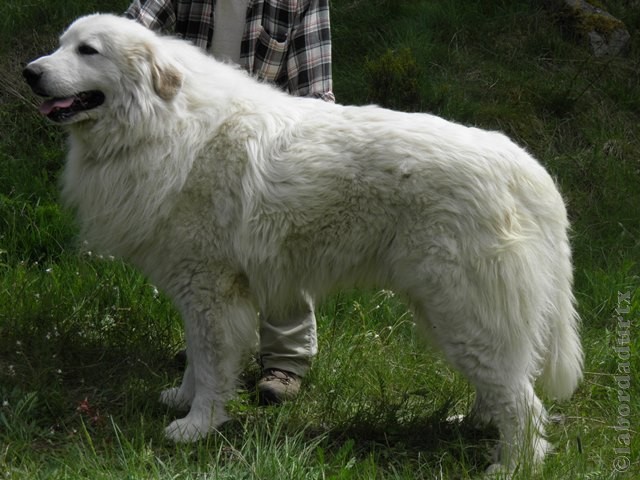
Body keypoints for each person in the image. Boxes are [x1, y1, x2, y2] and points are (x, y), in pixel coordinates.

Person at [125, 0, 334, 404]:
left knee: (282, 252)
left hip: (268, 142)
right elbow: (133, 31)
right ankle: (213, 355)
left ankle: (284, 363)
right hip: (196, 136)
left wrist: (301, 162)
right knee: (205, 269)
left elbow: (315, 91)